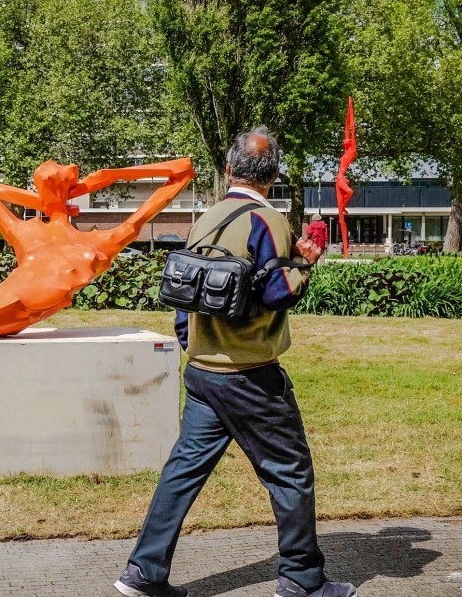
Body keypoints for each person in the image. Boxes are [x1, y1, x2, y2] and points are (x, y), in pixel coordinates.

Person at [114, 127, 357, 597]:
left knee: (183, 472)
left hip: (203, 372)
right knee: (290, 472)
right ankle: (303, 581)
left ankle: (143, 572)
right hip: (250, 375)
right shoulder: (271, 222)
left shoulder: (207, 217)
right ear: (274, 176)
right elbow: (275, 294)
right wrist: (304, 263)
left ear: (229, 169)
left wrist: (192, 345)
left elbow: (186, 293)